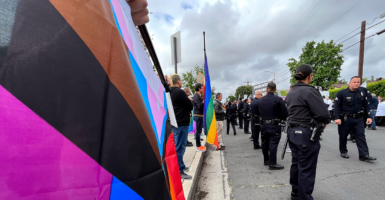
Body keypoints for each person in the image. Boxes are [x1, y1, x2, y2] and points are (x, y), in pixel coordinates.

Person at [286, 64, 330, 200]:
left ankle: (295, 192)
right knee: (306, 167)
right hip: (305, 133)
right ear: (310, 75)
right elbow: (323, 114)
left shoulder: (291, 91)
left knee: (296, 163)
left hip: (293, 131)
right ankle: (304, 197)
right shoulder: (309, 91)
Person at [334, 76, 376, 161]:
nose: (356, 84)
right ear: (350, 83)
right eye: (354, 82)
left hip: (359, 119)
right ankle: (343, 151)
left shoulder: (362, 92)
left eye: (358, 82)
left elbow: (366, 105)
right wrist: (337, 118)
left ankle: (364, 155)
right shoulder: (341, 93)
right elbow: (336, 107)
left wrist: (369, 117)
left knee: (361, 136)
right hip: (346, 118)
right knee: (343, 135)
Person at [258, 83, 288, 170]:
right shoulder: (278, 99)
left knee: (264, 143)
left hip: (263, 124)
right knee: (273, 143)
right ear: (275, 89)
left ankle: (266, 160)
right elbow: (284, 113)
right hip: (274, 125)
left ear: (267, 89)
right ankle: (272, 163)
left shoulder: (261, 100)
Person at [169, 75, 194, 179]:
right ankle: (179, 170)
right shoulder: (179, 92)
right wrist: (190, 100)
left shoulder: (169, 91)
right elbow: (190, 106)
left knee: (177, 146)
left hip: (175, 122)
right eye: (181, 81)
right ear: (178, 81)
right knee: (180, 148)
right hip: (181, 123)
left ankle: (181, 166)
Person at [192, 83, 207, 153]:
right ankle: (198, 146)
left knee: (199, 131)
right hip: (198, 116)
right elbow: (199, 106)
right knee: (198, 132)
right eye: (202, 87)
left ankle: (199, 145)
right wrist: (204, 101)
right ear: (199, 89)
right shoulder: (196, 96)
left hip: (199, 115)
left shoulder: (198, 96)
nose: (202, 89)